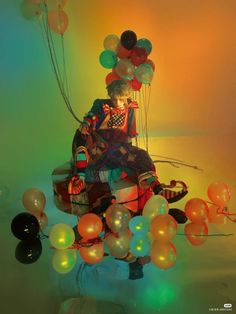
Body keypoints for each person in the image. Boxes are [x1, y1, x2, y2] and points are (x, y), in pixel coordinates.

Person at [70, 80, 187, 223]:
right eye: (116, 99)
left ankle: (157, 188)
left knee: (141, 155)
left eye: (123, 99)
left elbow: (128, 135)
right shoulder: (101, 105)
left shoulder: (130, 108)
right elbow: (91, 117)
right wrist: (87, 123)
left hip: (117, 147)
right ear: (110, 95)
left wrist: (130, 153)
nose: (119, 103)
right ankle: (82, 178)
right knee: (85, 140)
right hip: (99, 147)